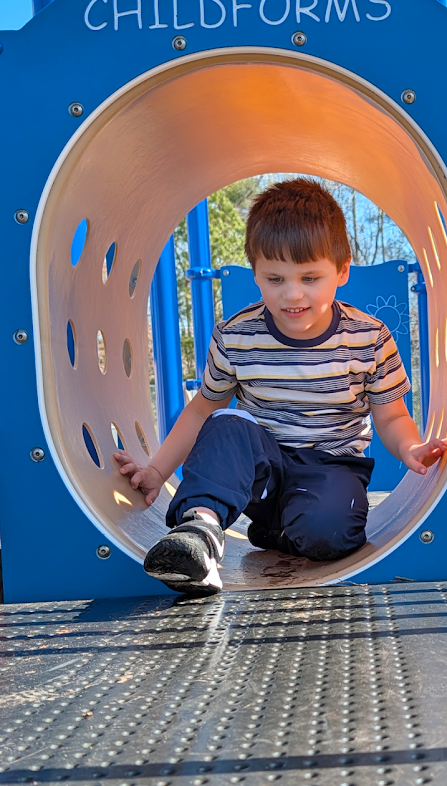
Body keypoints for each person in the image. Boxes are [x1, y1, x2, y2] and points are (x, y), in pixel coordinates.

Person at [114, 178, 446, 596]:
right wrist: (156, 472)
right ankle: (200, 531)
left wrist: (411, 447)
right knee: (226, 425)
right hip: (260, 469)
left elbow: (392, 415)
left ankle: (279, 532)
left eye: (310, 277)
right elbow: (201, 410)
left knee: (330, 535)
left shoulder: (369, 338)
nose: (292, 294)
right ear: (255, 273)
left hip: (330, 467)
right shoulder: (237, 336)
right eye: (275, 279)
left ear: (342, 271)